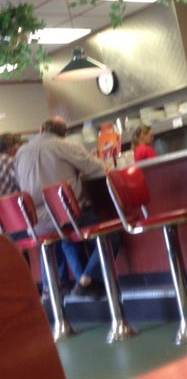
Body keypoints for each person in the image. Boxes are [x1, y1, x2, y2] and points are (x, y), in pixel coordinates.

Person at [14, 116, 119, 298]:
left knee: (64, 239)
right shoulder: (65, 145)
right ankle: (86, 280)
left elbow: (20, 182)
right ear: (64, 134)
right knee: (112, 235)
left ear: (41, 130)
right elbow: (97, 168)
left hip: (35, 222)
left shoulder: (20, 152)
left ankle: (53, 291)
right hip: (65, 216)